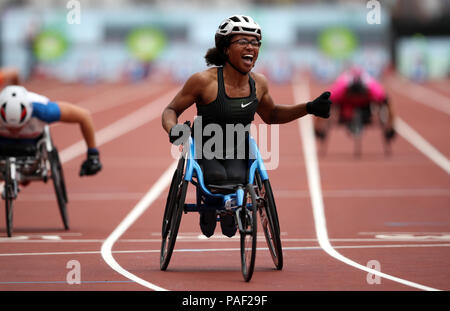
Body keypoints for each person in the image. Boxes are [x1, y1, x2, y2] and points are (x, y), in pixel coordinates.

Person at [161, 15, 331, 238]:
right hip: (206, 149)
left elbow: (272, 114)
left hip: (238, 150)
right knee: (216, 178)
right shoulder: (203, 81)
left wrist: (308, 107)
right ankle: (211, 209)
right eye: (243, 41)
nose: (251, 47)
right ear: (225, 48)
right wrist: (174, 129)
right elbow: (170, 110)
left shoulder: (259, 84)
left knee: (238, 180)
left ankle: (231, 210)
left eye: (255, 42)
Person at [0, 85, 102, 177]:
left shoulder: (45, 111)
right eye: (9, 127)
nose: (14, 131)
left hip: (32, 141)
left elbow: (84, 116)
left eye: (19, 127)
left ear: (30, 114)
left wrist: (93, 154)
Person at [314, 66, 395, 140]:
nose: (356, 98)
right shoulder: (340, 88)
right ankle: (348, 115)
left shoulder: (373, 89)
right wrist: (318, 128)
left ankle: (361, 115)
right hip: (346, 104)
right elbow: (322, 104)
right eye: (355, 96)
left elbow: (388, 103)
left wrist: (390, 127)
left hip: (365, 105)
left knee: (381, 104)